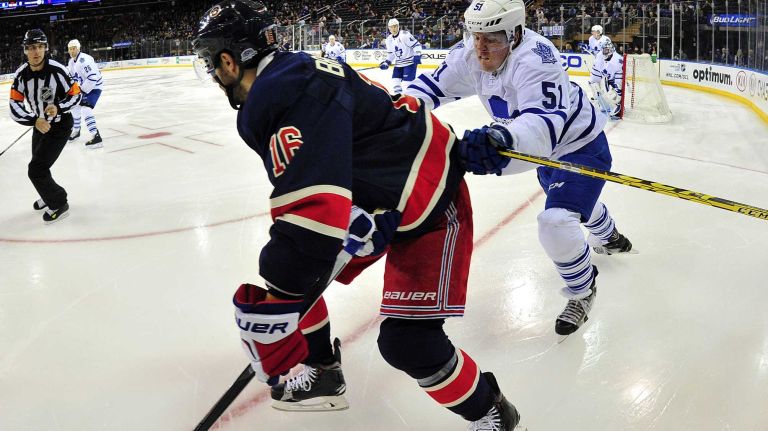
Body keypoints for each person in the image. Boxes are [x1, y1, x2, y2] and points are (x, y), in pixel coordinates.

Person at [192, 1, 520, 430]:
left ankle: (494, 414)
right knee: (294, 273)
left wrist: (275, 312)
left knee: (408, 343)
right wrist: (352, 214)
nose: (215, 76)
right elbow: (336, 161)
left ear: (229, 61)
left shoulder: (281, 94)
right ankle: (322, 372)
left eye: (212, 64)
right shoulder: (291, 75)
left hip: (432, 200)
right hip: (387, 197)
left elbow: (311, 216)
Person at [405, 0, 633, 339]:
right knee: (572, 202)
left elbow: (543, 127)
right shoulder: (470, 52)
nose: (481, 47)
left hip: (578, 146)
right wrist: (393, 115)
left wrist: (499, 137)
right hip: (536, 147)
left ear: (515, 34)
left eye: (492, 38)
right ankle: (609, 235)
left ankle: (583, 289)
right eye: (475, 36)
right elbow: (427, 90)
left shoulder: (536, 59)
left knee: (556, 222)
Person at [9, 29, 81, 224]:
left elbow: (76, 95)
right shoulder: (21, 75)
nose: (36, 52)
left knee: (36, 169)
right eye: (31, 48)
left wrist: (58, 107)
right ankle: (48, 194)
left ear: (46, 48)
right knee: (40, 164)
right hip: (39, 126)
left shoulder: (58, 70)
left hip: (60, 127)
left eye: (40, 47)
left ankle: (59, 203)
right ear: (25, 51)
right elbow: (13, 105)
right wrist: (34, 120)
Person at [66, 39, 104, 148]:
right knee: (74, 105)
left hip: (95, 86)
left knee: (86, 109)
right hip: (85, 86)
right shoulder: (71, 62)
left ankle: (96, 137)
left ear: (78, 49)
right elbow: (73, 78)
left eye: (74, 48)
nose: (72, 51)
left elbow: (93, 78)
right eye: (70, 49)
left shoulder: (84, 60)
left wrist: (81, 90)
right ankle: (76, 131)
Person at [379, 18, 422, 94]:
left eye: (395, 26)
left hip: (410, 63)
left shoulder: (405, 35)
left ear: (398, 26)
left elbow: (417, 45)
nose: (393, 28)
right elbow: (391, 54)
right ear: (389, 28)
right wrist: (387, 62)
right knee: (395, 82)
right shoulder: (388, 40)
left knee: (406, 85)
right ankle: (400, 100)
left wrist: (417, 55)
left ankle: (410, 100)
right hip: (398, 64)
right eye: (391, 27)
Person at [589, 40, 624, 118]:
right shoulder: (599, 57)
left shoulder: (618, 60)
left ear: (611, 50)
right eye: (603, 50)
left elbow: (619, 75)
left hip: (614, 78)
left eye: (606, 50)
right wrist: (594, 83)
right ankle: (603, 104)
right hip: (604, 77)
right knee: (594, 86)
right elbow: (596, 73)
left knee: (615, 95)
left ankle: (617, 106)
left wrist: (618, 86)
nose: (604, 52)